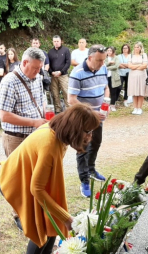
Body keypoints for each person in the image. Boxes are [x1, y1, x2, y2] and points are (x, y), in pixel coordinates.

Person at [0, 104, 100, 254]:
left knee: (52, 217)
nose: (90, 136)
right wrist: (67, 218)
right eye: (88, 132)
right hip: (14, 180)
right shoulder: (49, 143)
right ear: (76, 129)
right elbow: (36, 189)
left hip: (28, 178)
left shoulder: (59, 131)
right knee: (42, 224)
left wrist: (60, 214)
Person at [0, 47, 48, 230]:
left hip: (35, 136)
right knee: (17, 179)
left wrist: (44, 115)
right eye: (34, 68)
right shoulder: (9, 81)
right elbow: (4, 116)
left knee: (35, 176)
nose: (37, 72)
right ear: (24, 62)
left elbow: (41, 99)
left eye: (39, 68)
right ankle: (18, 214)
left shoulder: (38, 78)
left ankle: (32, 209)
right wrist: (34, 122)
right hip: (16, 138)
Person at [68, 45, 109, 197]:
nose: (102, 64)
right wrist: (92, 113)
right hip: (84, 118)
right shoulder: (77, 73)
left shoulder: (103, 68)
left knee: (96, 143)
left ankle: (91, 169)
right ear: (90, 58)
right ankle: (84, 180)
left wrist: (107, 102)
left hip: (99, 115)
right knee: (83, 147)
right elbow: (71, 100)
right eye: (99, 60)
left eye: (104, 60)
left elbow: (106, 88)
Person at [48, 35, 71, 114]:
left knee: (66, 91)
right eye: (54, 41)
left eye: (58, 41)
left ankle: (68, 109)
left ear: (61, 41)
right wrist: (51, 72)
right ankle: (58, 109)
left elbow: (68, 62)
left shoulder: (66, 50)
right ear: (53, 42)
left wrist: (61, 71)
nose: (56, 43)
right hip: (53, 75)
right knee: (55, 93)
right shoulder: (50, 52)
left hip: (63, 75)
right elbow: (48, 64)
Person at [128, 42, 148, 115]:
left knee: (140, 92)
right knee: (134, 92)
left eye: (138, 47)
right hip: (133, 75)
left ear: (141, 48)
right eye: (135, 47)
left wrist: (135, 66)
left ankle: (139, 108)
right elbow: (130, 66)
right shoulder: (131, 55)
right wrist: (139, 65)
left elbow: (145, 65)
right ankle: (135, 108)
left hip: (142, 75)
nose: (136, 48)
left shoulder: (143, 55)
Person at [105, 47, 121, 111]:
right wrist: (109, 63)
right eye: (108, 50)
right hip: (106, 77)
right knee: (106, 91)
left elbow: (116, 66)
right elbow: (103, 65)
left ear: (113, 51)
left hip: (113, 77)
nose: (109, 52)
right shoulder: (105, 58)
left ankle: (112, 105)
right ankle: (106, 105)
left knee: (113, 91)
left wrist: (107, 67)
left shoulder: (116, 58)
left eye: (110, 51)